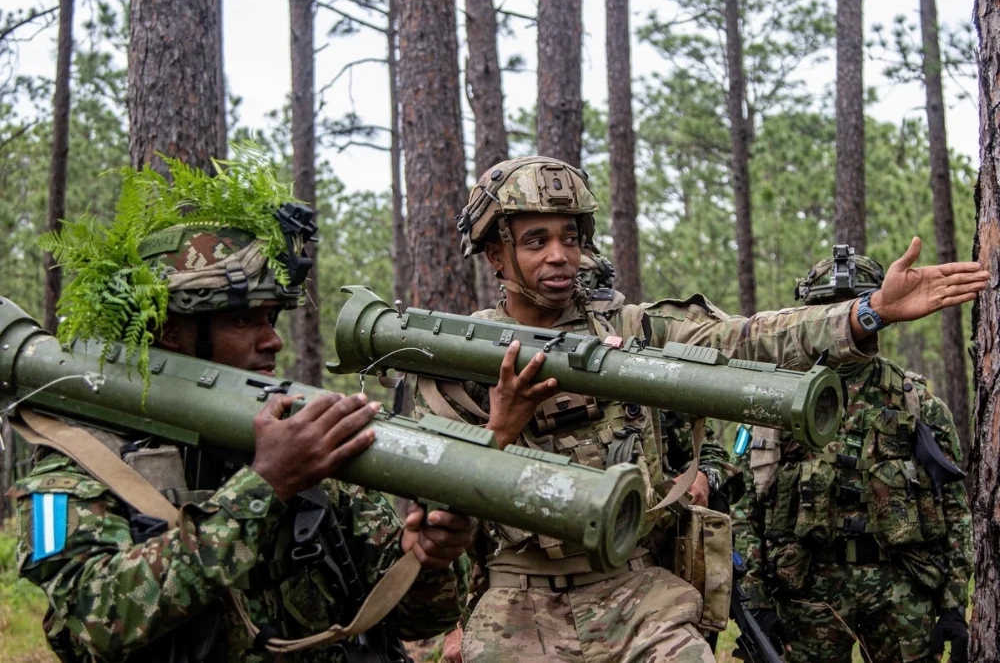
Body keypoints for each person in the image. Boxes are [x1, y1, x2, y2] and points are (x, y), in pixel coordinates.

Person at [423, 155, 986, 663]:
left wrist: (868, 312)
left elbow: (747, 339)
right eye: (535, 240)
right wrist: (500, 428)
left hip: (636, 593)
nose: (559, 256)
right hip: (519, 606)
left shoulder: (634, 331)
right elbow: (437, 516)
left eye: (570, 237)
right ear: (496, 253)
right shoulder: (462, 354)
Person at [7, 149, 474, 663]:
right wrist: (265, 487)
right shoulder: (76, 465)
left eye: (272, 318)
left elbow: (418, 619)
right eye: (242, 321)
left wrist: (430, 561)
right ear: (171, 333)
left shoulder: (304, 437)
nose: (272, 341)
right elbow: (94, 621)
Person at [732, 245, 972, 663]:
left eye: (854, 307)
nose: (841, 319)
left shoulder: (915, 400)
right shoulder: (774, 403)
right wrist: (755, 603)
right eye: (828, 307)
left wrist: (953, 603)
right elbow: (746, 507)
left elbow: (952, 506)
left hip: (902, 592)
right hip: (806, 597)